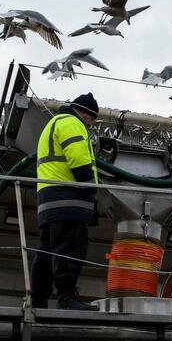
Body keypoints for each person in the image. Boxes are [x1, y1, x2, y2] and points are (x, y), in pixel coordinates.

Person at [31, 92, 100, 310]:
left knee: (46, 253)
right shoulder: (72, 124)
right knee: (70, 250)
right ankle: (67, 298)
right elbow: (78, 161)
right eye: (91, 120)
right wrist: (91, 188)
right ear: (85, 113)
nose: (90, 125)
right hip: (69, 198)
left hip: (48, 198)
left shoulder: (52, 124)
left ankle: (37, 301)